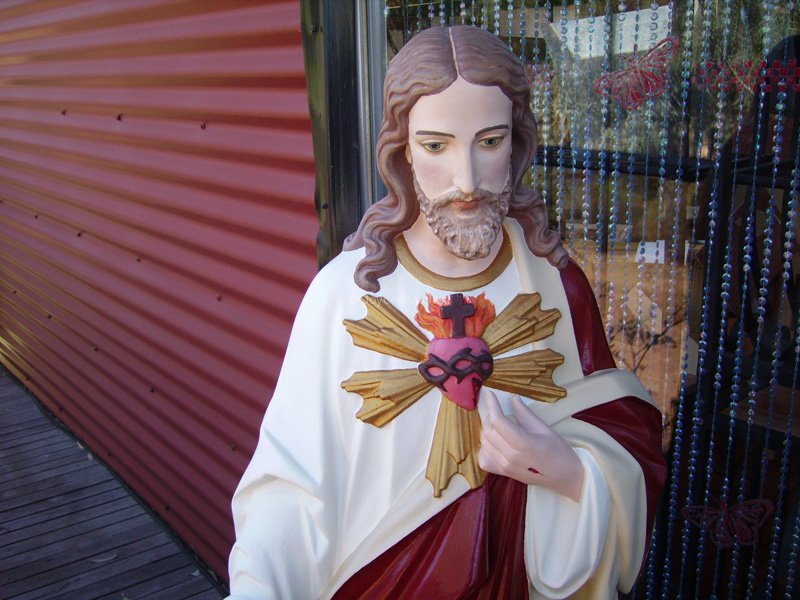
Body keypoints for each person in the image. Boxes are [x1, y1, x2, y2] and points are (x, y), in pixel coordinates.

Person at [227, 25, 665, 600]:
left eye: (489, 141)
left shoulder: (554, 284)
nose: (467, 181)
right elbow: (291, 487)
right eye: (436, 146)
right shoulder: (345, 296)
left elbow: (622, 436)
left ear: (518, 142)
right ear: (402, 149)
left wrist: (567, 473)